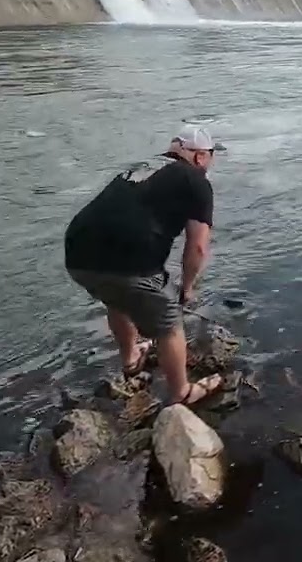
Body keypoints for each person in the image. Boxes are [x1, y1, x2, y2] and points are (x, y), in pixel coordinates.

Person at [63, 123, 227, 406]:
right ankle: (181, 394)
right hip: (130, 263)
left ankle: (130, 360)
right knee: (169, 322)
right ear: (200, 156)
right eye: (212, 153)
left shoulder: (140, 167)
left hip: (78, 255)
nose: (212, 160)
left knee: (116, 298)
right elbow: (198, 246)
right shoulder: (197, 181)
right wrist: (187, 288)